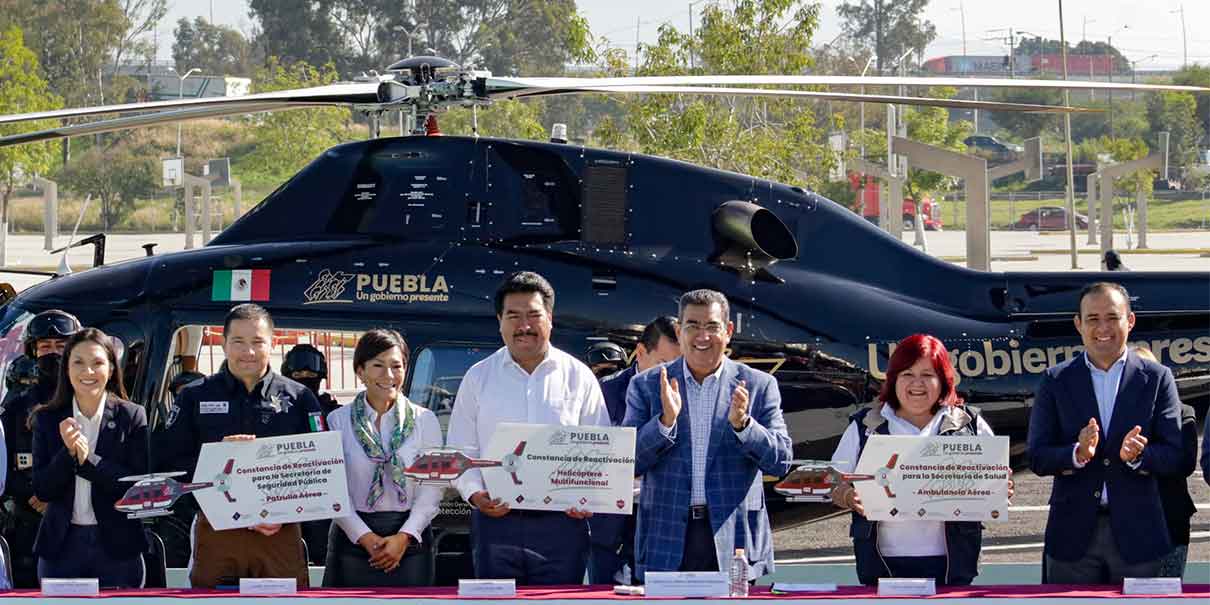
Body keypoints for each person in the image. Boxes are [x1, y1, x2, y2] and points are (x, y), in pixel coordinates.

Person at [446, 271, 609, 584]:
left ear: (549, 318)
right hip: (496, 523)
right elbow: (460, 451)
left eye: (533, 315)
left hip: (562, 525)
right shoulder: (478, 378)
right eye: (513, 316)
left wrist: (586, 497)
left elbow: (597, 450)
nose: (524, 326)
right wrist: (475, 494)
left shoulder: (579, 377)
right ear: (499, 320)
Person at [623, 289, 792, 582]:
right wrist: (665, 422)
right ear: (679, 331)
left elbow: (781, 461)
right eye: (692, 326)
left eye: (712, 326)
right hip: (666, 535)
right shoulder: (647, 385)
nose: (702, 336)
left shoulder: (759, 385)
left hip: (734, 539)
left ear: (728, 331)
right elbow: (626, 464)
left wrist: (744, 426)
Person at [154, 303, 324, 589]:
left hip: (278, 531)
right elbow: (170, 461)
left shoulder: (300, 398)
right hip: (217, 528)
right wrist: (217, 457)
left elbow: (320, 467)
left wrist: (283, 512)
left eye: (258, 342)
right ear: (223, 344)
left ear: (272, 342)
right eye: (238, 342)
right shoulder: (194, 396)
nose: (248, 352)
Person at [1028, 282, 1183, 584]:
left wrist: (1139, 456)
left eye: (1112, 318)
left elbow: (1176, 455)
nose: (1103, 328)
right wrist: (1077, 453)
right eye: (1093, 319)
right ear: (1078, 324)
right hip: (1071, 538)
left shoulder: (1157, 378)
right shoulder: (1055, 380)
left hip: (1139, 537)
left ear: (1130, 320)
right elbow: (1037, 455)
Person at [831, 334, 1002, 586]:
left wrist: (998, 487)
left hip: (952, 563)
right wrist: (846, 494)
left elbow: (994, 482)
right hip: (882, 562)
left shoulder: (969, 423)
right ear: (893, 379)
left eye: (928, 374)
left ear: (943, 379)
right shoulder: (866, 425)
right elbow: (832, 480)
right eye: (907, 374)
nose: (917, 383)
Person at [323, 329, 443, 587]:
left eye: (396, 366)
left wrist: (404, 536)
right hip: (353, 540)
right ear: (360, 371)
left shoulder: (424, 420)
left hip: (411, 540)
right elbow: (333, 490)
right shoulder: (337, 421)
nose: (388, 375)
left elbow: (433, 488)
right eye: (378, 365)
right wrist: (364, 536)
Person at [30, 328, 148, 587]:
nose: (88, 372)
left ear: (111, 368)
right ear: (67, 368)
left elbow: (136, 487)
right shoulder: (47, 418)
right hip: (62, 546)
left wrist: (88, 461)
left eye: (97, 363)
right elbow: (42, 488)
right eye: (78, 362)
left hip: (117, 547)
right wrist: (68, 453)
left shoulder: (132, 416)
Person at [589, 316, 679, 585]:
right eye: (665, 364)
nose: (673, 374)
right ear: (640, 353)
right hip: (613, 518)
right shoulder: (604, 393)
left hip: (664, 516)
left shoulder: (687, 392)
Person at [0, 309, 81, 588]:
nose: (53, 353)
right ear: (33, 351)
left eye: (62, 346)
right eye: (45, 346)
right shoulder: (16, 408)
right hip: (27, 528)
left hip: (81, 526)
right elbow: (4, 469)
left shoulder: (90, 401)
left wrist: (58, 501)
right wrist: (33, 495)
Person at [1133, 347, 1197, 578]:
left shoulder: (1182, 412)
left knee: (1167, 592)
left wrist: (1141, 456)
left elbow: (1185, 462)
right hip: (1125, 525)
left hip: (1170, 521)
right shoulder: (1112, 414)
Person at [282, 343, 339, 564]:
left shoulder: (333, 412)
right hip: (283, 492)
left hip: (321, 495)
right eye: (298, 373)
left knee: (321, 555)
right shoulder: (275, 407)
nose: (304, 377)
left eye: (310, 373)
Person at [283, 344, 339, 418]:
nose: (305, 380)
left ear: (320, 377)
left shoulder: (333, 412)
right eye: (297, 375)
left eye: (311, 375)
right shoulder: (278, 411)